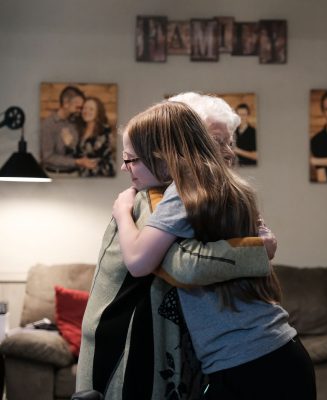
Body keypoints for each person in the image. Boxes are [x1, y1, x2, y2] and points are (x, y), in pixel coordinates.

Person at [77, 94, 277, 399]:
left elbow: (176, 263)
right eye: (214, 141)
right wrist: (259, 248)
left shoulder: (184, 194)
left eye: (228, 142)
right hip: (251, 351)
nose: (224, 153)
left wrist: (257, 250)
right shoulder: (170, 195)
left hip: (250, 354)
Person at [113, 101, 315, 400]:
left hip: (248, 363)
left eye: (131, 159)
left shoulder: (181, 192)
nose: (124, 167)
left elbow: (139, 261)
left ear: (162, 157)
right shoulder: (223, 185)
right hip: (279, 352)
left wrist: (122, 211)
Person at [40, 86, 97, 175]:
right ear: (66, 103)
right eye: (77, 107)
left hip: (75, 175)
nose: (80, 111)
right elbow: (47, 157)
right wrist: (77, 162)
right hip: (55, 176)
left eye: (81, 108)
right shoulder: (49, 124)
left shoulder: (75, 123)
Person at [76, 97, 115, 177]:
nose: (86, 111)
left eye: (91, 109)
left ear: (98, 112)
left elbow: (104, 155)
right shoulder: (78, 129)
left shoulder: (104, 130)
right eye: (85, 108)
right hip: (81, 176)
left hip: (101, 175)